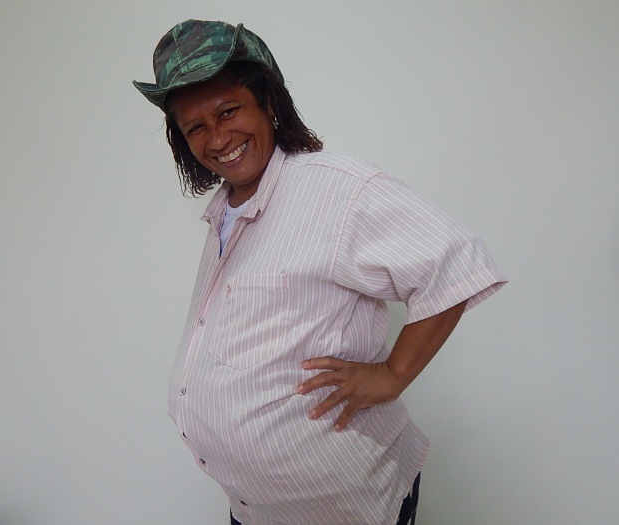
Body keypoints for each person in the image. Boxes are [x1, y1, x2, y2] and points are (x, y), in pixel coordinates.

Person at [133, 19, 506, 525]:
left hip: (345, 508)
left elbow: (453, 263)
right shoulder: (224, 210)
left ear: (267, 101)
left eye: (228, 111)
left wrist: (392, 375)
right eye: (196, 127)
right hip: (261, 510)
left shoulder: (335, 189)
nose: (218, 138)